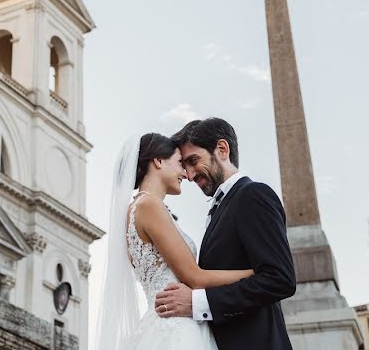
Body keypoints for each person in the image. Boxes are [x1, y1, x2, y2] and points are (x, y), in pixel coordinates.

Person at [94, 133, 254, 350]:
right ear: (158, 161)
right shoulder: (149, 205)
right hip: (177, 327)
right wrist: (256, 274)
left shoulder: (138, 208)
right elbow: (195, 277)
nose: (186, 174)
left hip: (165, 323)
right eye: (180, 163)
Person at [154, 118, 296, 349]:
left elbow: (280, 279)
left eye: (193, 161)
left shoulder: (253, 195)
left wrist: (196, 302)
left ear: (221, 150)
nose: (189, 175)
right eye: (184, 165)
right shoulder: (222, 206)